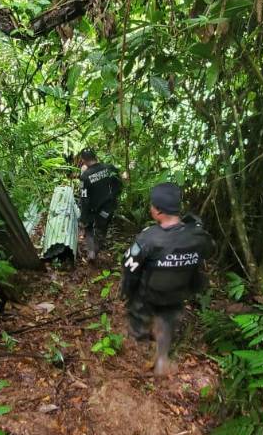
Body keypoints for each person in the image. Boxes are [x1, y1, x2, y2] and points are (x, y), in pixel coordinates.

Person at [121, 182, 214, 376]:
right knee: (168, 318)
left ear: (158, 212)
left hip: (149, 294)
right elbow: (208, 251)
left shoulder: (148, 238)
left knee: (137, 313)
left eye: (152, 206)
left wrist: (127, 291)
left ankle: (138, 341)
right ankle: (162, 357)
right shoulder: (198, 236)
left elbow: (130, 266)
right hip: (178, 293)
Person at [78, 148, 122, 261]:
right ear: (95, 156)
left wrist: (83, 217)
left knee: (88, 228)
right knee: (102, 229)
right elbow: (118, 185)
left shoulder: (85, 176)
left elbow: (84, 198)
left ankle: (91, 252)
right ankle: (96, 249)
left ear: (83, 160)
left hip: (93, 209)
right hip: (108, 208)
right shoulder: (110, 168)